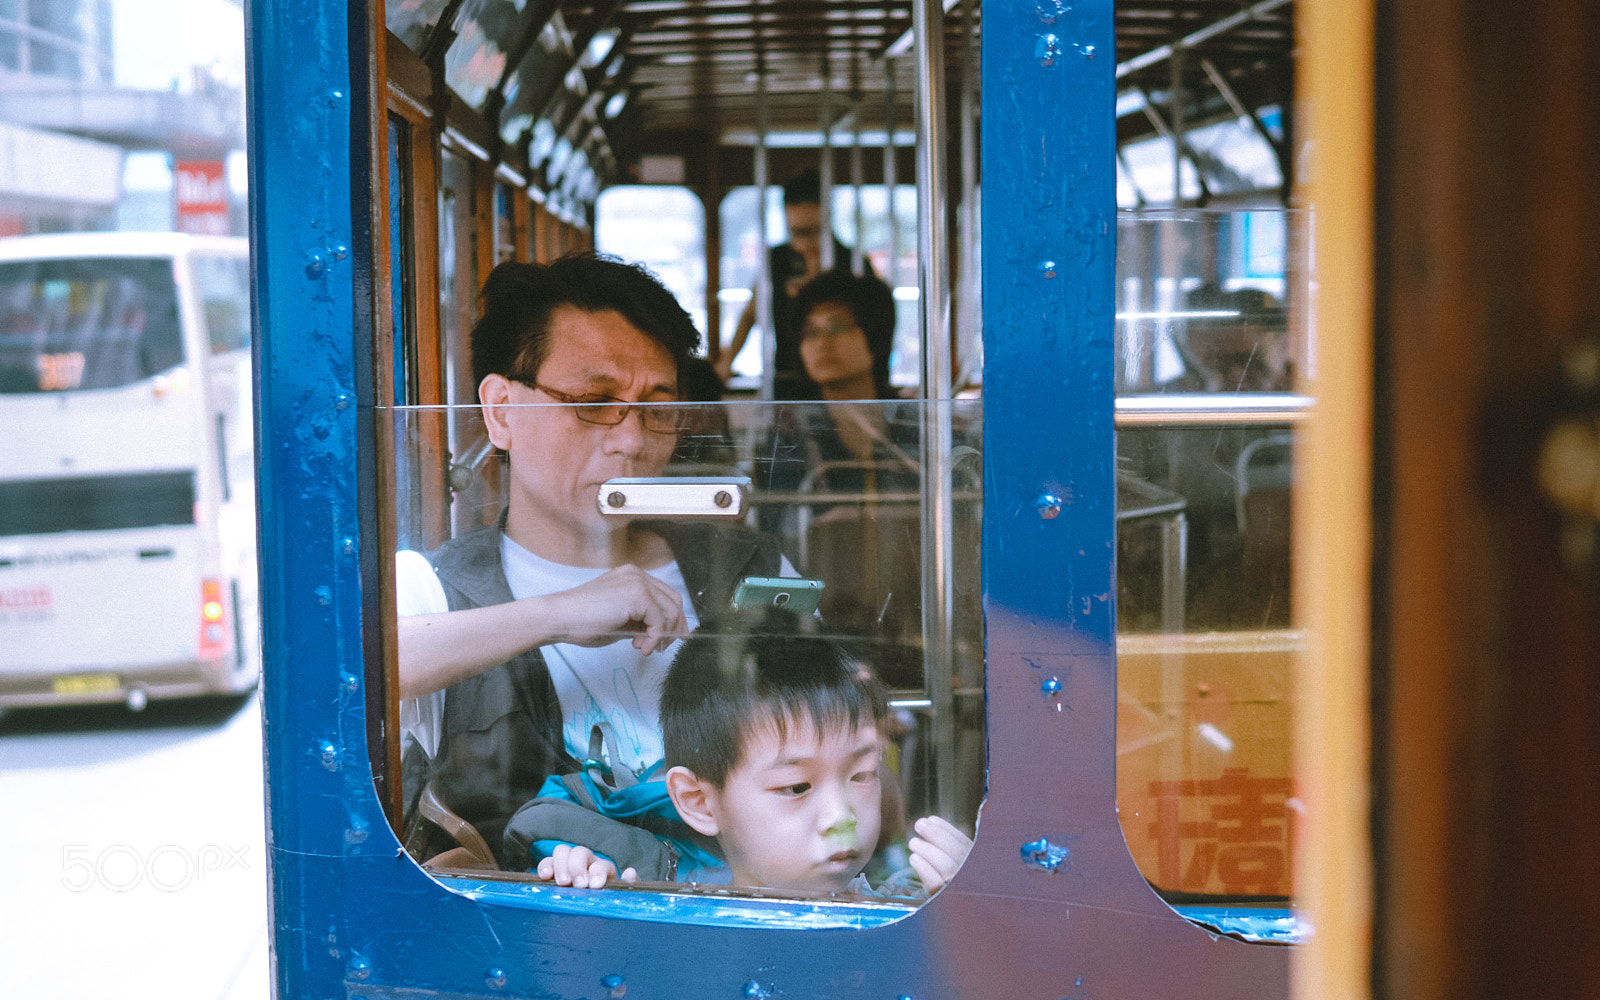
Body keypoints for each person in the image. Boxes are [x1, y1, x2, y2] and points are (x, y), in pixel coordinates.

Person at [396, 253, 786, 867]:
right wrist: (556, 613)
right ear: (501, 410)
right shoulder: (436, 588)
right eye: (593, 400)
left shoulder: (743, 567)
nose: (630, 440)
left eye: (657, 409)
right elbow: (347, 670)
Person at [525, 611, 973, 896]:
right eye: (796, 786)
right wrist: (584, 897)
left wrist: (970, 909)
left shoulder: (909, 907)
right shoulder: (667, 916)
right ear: (699, 801)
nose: (841, 818)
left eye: (861, 774)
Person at [716, 169, 873, 398]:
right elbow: (751, 314)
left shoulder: (854, 264)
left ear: (828, 218)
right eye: (796, 233)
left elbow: (874, 327)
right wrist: (726, 363)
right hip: (788, 383)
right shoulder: (777, 261)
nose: (804, 243)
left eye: (813, 232)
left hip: (842, 385)